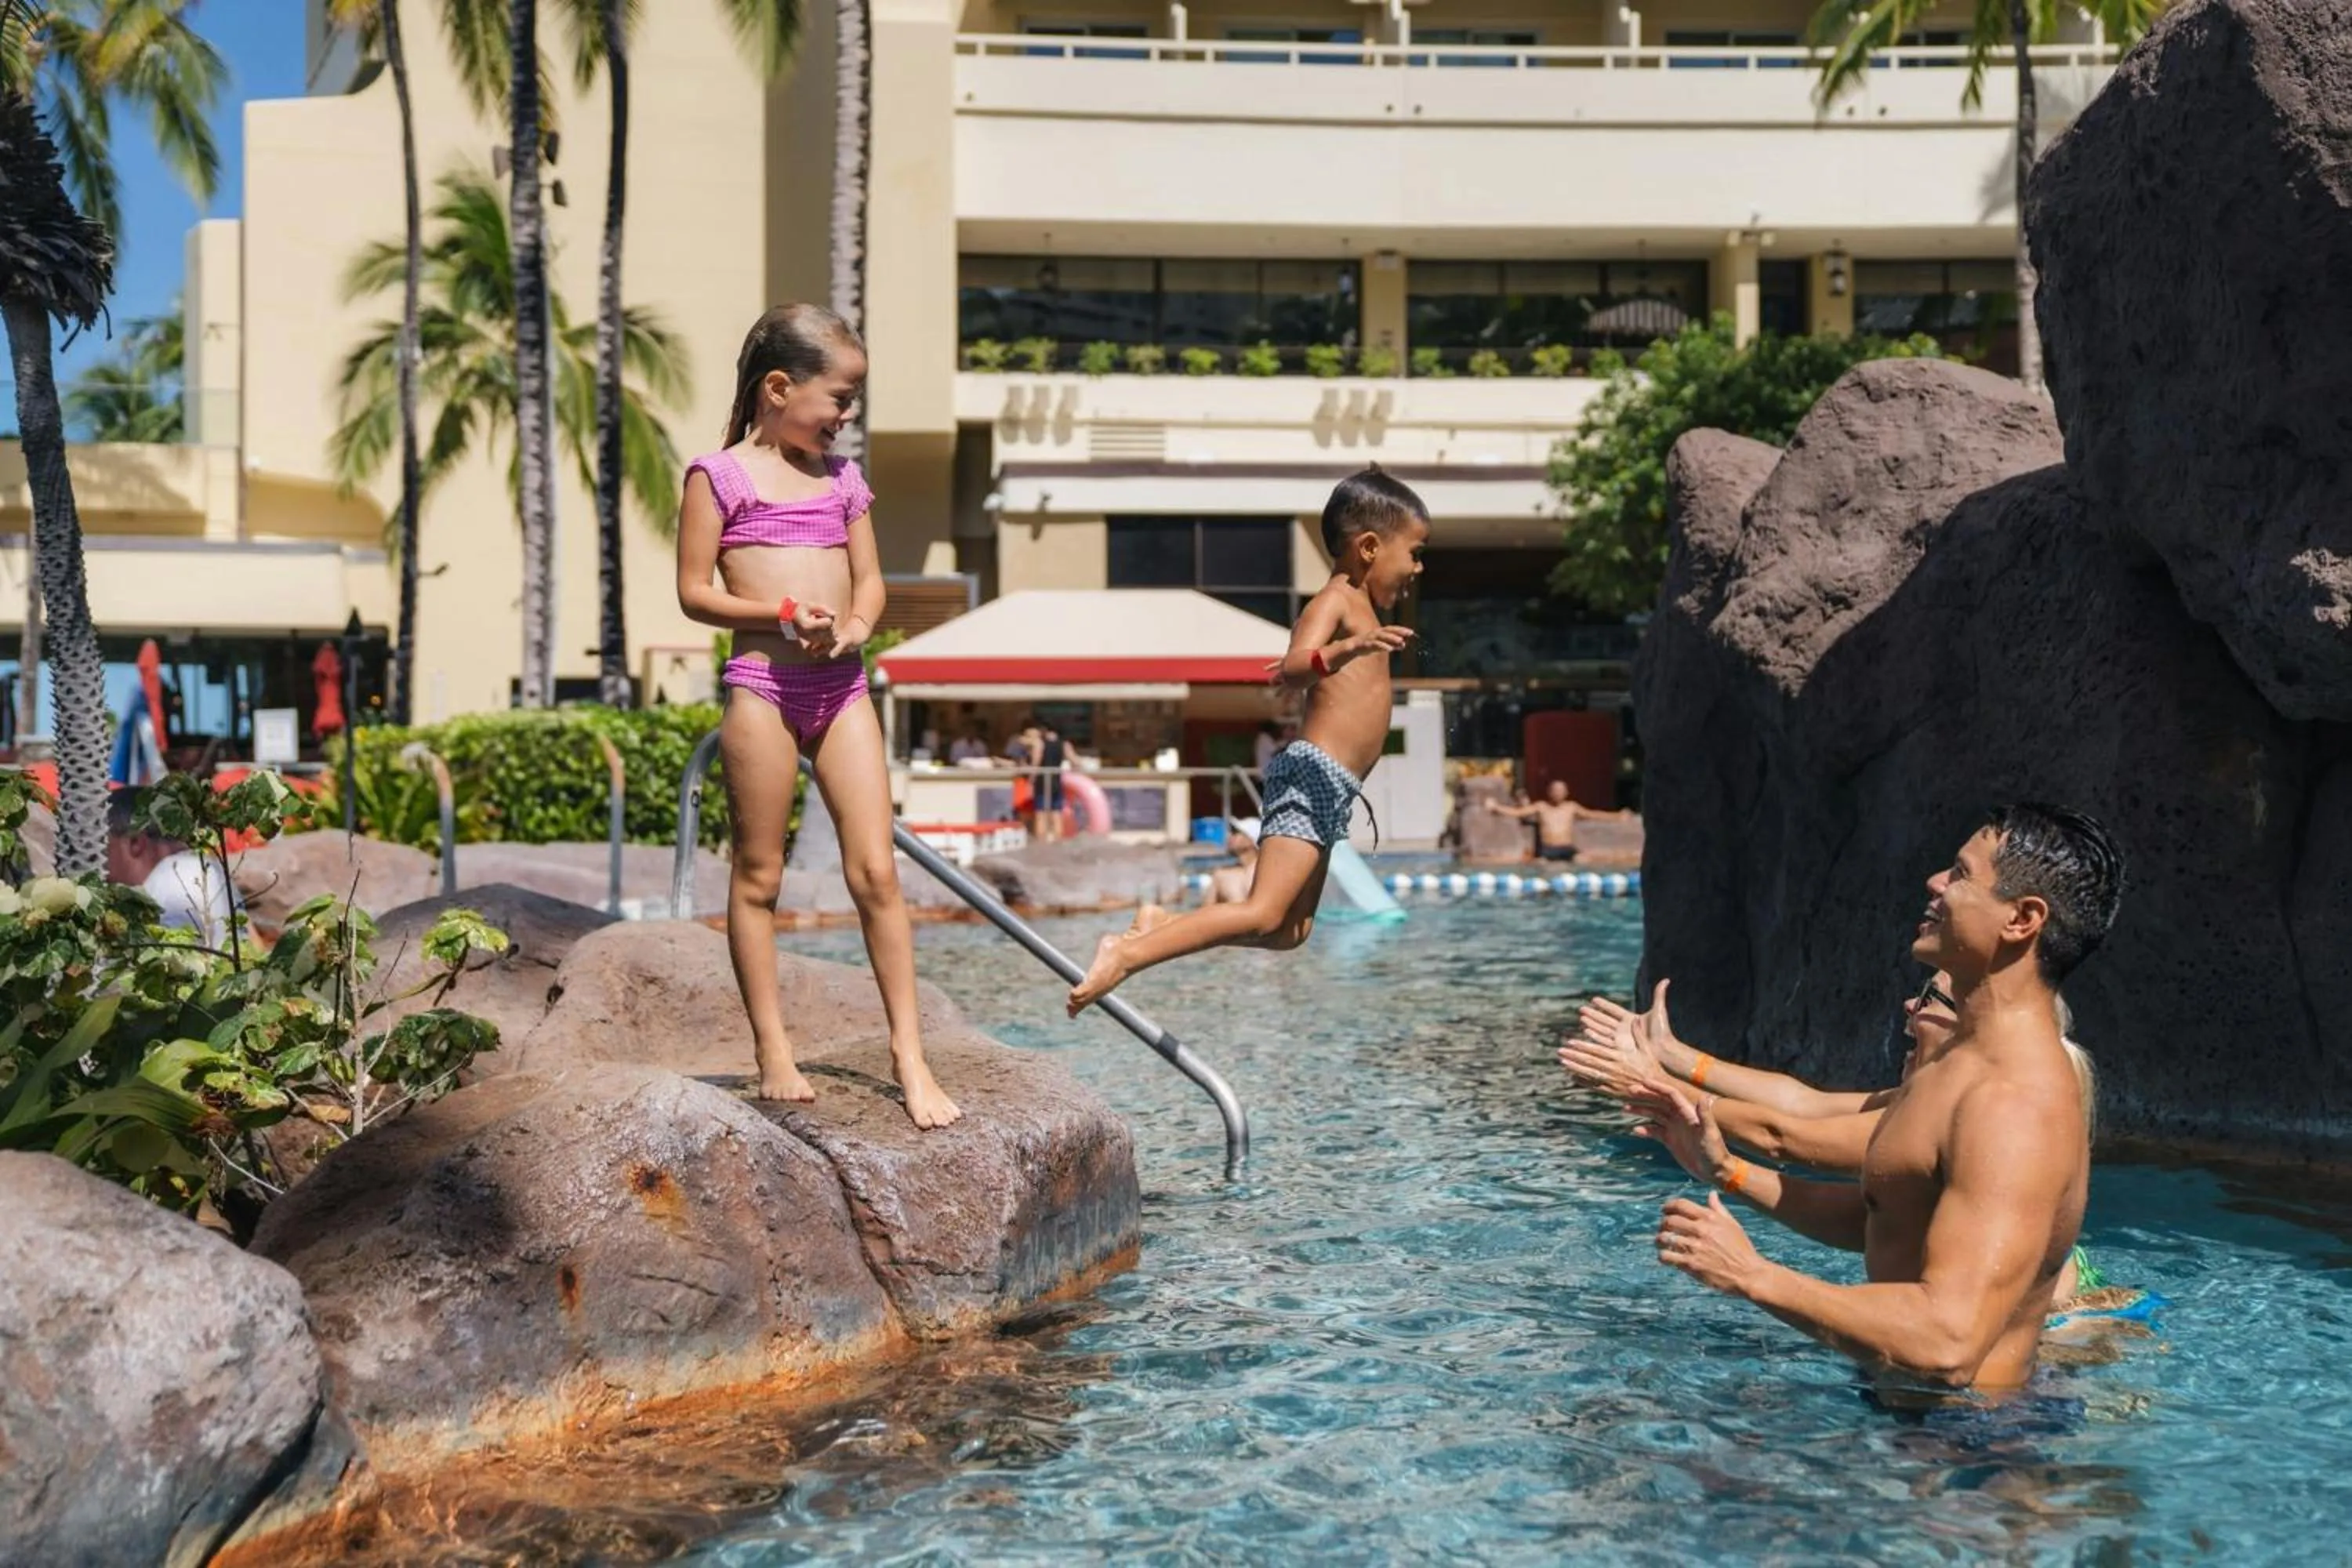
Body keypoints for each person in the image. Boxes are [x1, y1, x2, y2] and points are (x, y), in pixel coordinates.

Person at [1639, 803, 2124, 1396]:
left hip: (1973, 1449)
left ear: (2022, 919)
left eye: (1961, 874)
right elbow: (1889, 1213)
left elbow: (1950, 1344)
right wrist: (1729, 1172)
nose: (1936, 884)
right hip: (1911, 1415)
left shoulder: (2012, 1103)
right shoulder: (1955, 1067)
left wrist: (1754, 1277)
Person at [674, 303, 960, 1129]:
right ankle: (773, 1048)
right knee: (759, 877)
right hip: (763, 686)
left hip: (842, 690)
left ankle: (910, 1053)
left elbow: (870, 582)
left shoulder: (844, 481)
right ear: (777, 388)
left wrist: (859, 627)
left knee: (876, 871)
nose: (844, 418)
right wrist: (779, 615)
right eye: (837, 399)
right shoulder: (719, 476)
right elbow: (695, 591)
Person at [1066, 466, 1426, 1015]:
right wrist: (1349, 650)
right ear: (1371, 547)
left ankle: (1161, 927)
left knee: (1290, 931)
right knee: (1262, 911)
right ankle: (1126, 955)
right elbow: (1296, 664)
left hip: (1335, 790)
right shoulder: (1336, 601)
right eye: (1415, 553)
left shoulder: (1367, 613)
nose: (1418, 569)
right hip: (1311, 774)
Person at [1483, 779, 1632, 863]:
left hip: (1567, 848)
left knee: (1583, 860)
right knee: (1540, 865)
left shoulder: (1571, 807)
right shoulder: (1541, 806)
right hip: (1548, 850)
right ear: (1549, 792)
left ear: (1566, 793)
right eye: (1555, 790)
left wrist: (1618, 816)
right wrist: (1496, 807)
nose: (1558, 793)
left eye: (1561, 790)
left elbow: (1593, 814)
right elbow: (1517, 812)